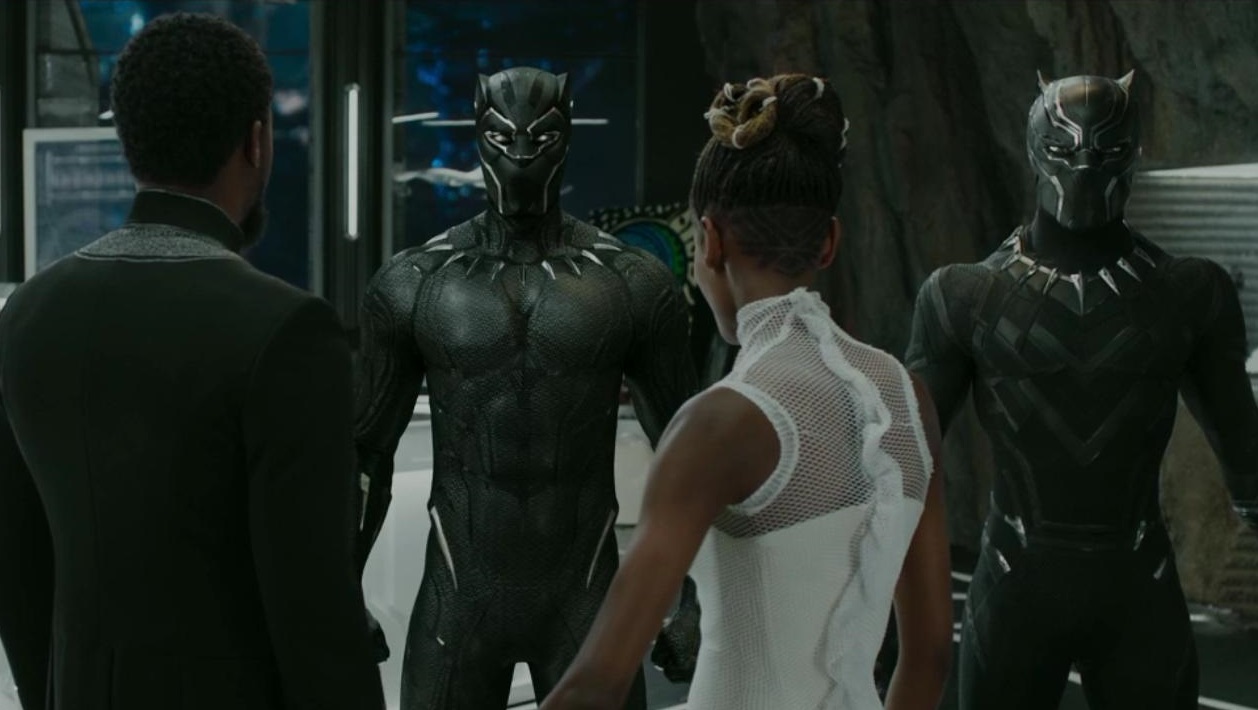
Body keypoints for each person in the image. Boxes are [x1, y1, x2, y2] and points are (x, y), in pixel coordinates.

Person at [0, 13, 384, 710]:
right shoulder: (287, 331)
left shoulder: (26, 316)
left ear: (130, 144)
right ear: (256, 142)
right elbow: (315, 618)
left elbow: (18, 570)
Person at [542, 74, 953, 710]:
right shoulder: (908, 398)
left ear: (709, 241)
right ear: (829, 242)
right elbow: (929, 657)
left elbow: (595, 686)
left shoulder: (719, 424)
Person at [906, 71, 1258, 709]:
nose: (1086, 166)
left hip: (1124, 585)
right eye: (1065, 147)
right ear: (1035, 148)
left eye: (1107, 149)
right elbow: (903, 464)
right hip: (1026, 582)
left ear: (1133, 153)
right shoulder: (964, 296)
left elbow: (1248, 459)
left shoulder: (1189, 294)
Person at [353, 66, 698, 709]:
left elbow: (691, 454)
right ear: (478, 135)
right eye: (501, 136)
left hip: (586, 594)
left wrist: (698, 602)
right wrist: (343, 591)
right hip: (460, 594)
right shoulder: (413, 283)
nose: (519, 155)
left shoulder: (632, 284)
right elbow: (364, 452)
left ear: (566, 138)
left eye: (539, 138)